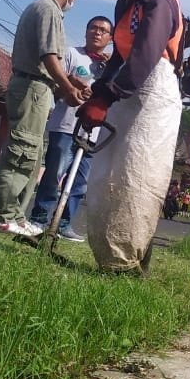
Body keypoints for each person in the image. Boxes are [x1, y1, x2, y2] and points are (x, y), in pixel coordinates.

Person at [76, 0, 184, 274]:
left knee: (138, 177)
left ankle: (128, 263)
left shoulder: (161, 0)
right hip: (127, 87)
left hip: (154, 91)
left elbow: (144, 57)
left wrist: (108, 97)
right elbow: (120, 57)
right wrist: (98, 93)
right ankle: (108, 255)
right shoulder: (127, 2)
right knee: (108, 175)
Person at [0, 0, 90, 237]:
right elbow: (48, 57)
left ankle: (15, 214)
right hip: (32, 86)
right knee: (22, 151)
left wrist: (69, 81)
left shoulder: (40, 8)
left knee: (31, 155)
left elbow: (46, 60)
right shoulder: (49, 10)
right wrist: (67, 87)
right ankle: (0, 214)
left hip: (36, 85)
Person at [27, 16, 113, 241]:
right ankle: (39, 219)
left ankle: (63, 224)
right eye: (93, 27)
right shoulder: (71, 54)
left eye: (103, 30)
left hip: (92, 133)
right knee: (54, 174)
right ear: (86, 31)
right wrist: (71, 89)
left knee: (80, 183)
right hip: (65, 126)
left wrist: (111, 68)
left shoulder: (110, 67)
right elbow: (56, 89)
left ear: (110, 38)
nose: (97, 32)